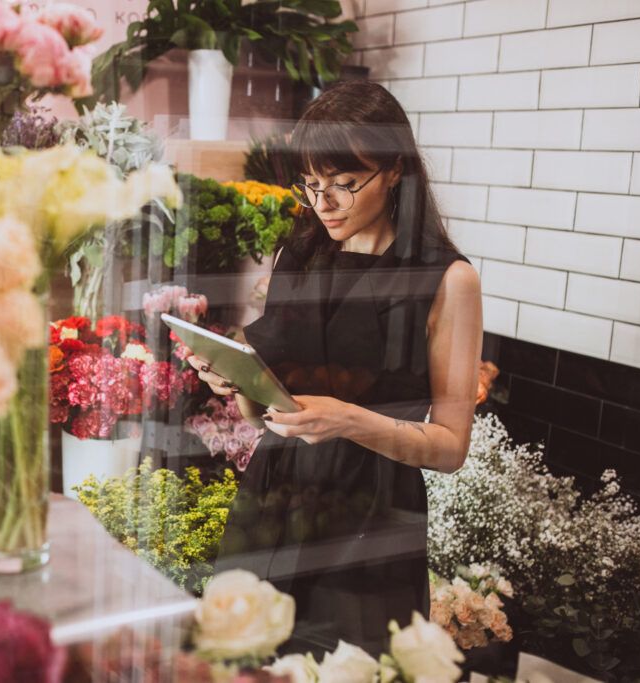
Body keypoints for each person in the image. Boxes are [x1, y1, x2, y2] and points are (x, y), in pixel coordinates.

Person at [187, 80, 483, 658]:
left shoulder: (446, 280)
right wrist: (238, 379)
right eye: (312, 184)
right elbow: (265, 413)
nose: (323, 204)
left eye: (345, 185)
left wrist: (349, 421)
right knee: (247, 661)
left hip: (369, 517)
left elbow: (450, 448)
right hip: (272, 497)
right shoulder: (296, 254)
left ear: (395, 170)